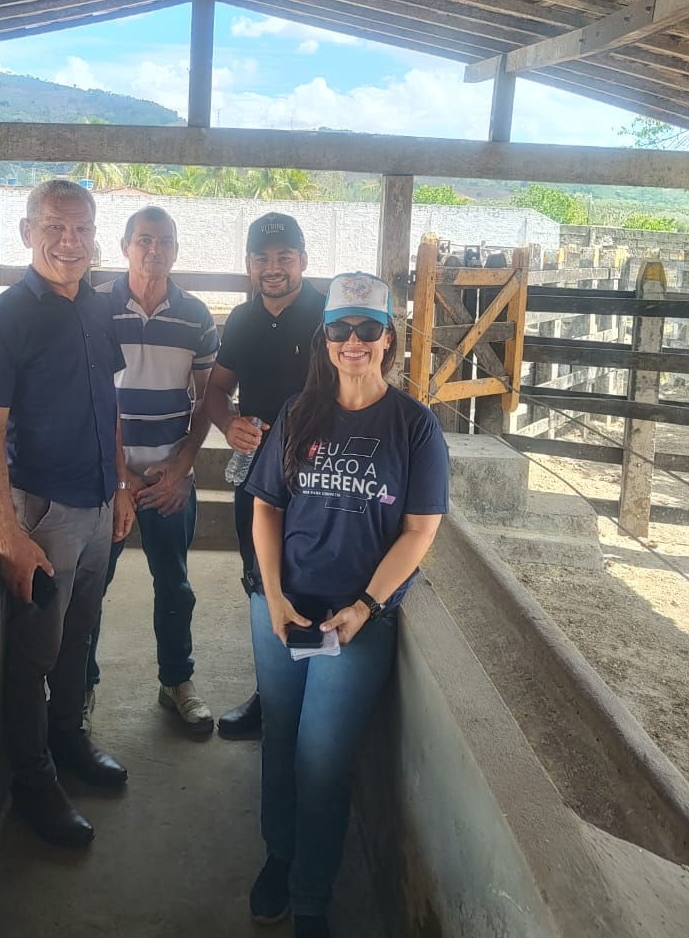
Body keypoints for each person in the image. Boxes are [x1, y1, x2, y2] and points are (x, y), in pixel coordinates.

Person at [244, 272, 448, 937]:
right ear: (324, 339)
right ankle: (280, 853)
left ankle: (310, 896)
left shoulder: (414, 426)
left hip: (354, 619)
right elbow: (266, 508)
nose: (352, 342)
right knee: (280, 738)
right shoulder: (297, 413)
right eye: (339, 329)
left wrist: (365, 605)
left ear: (389, 338)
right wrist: (273, 595)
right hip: (283, 605)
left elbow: (420, 530)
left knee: (323, 758)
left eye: (366, 329)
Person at [0, 179, 136, 849]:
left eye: (82, 228)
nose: (70, 240)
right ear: (27, 232)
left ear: (96, 236)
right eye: (55, 226)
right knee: (34, 653)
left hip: (97, 503)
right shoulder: (5, 318)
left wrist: (120, 486)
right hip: (44, 512)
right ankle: (34, 784)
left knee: (79, 638)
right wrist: (7, 531)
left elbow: (109, 403)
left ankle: (69, 742)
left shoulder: (96, 308)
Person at [90, 206, 220, 735]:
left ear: (176, 249)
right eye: (143, 240)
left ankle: (177, 680)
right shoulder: (95, 310)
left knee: (175, 584)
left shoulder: (197, 318)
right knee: (91, 586)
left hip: (169, 478)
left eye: (164, 241)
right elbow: (90, 402)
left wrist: (183, 466)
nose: (154, 250)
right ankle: (81, 687)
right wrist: (119, 478)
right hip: (105, 478)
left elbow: (209, 400)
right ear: (124, 247)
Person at [204, 212, 325, 739]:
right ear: (249, 264)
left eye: (284, 257)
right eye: (262, 258)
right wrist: (229, 422)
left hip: (322, 474)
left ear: (303, 259)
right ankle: (270, 697)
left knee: (318, 576)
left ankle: (320, 697)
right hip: (258, 476)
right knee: (260, 579)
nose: (273, 268)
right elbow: (213, 389)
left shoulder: (329, 316)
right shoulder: (241, 320)